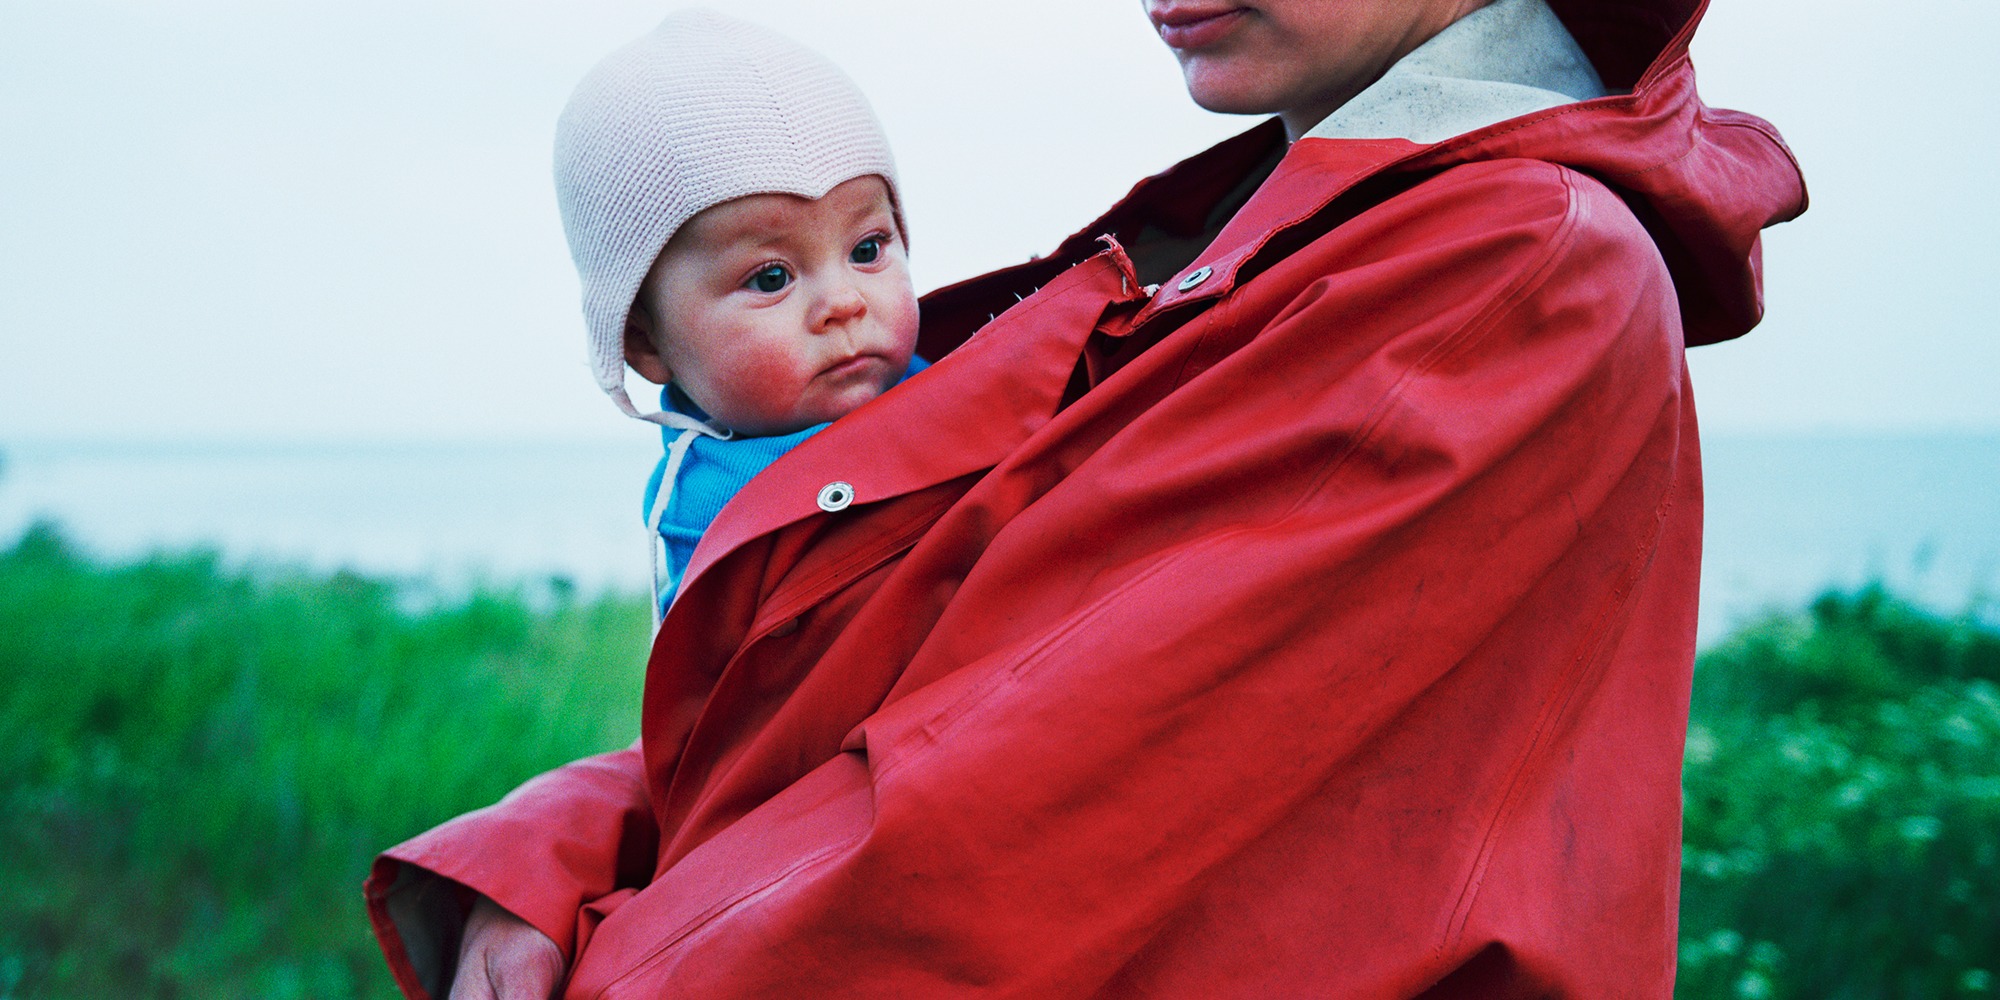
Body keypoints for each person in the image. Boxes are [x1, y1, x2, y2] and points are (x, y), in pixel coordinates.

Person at [367, 0, 1808, 996]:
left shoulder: (1496, 272)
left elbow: (975, 834)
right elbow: (918, 659)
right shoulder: (1275, 236)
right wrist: (561, 842)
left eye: (867, 244)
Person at [555, 10, 924, 619]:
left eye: (867, 249)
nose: (843, 303)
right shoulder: (712, 515)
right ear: (646, 343)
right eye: (771, 278)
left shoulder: (955, 382)